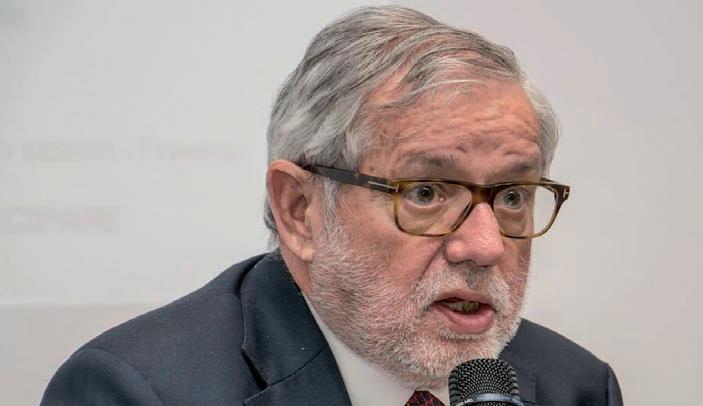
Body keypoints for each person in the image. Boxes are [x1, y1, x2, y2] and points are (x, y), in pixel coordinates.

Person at [42, 6, 623, 406]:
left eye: (513, 196)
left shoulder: (575, 387)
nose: (485, 246)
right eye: (425, 193)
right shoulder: (139, 390)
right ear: (299, 209)